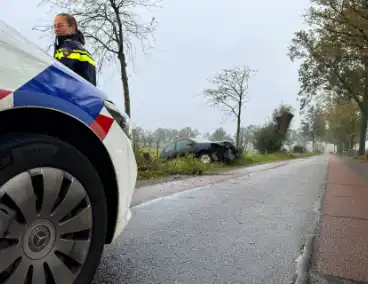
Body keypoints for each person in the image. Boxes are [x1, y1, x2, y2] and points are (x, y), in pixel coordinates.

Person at [53, 13, 96, 86]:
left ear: (72, 27)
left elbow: (60, 75)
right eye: (55, 26)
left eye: (60, 26)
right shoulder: (80, 47)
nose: (56, 29)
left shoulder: (69, 47)